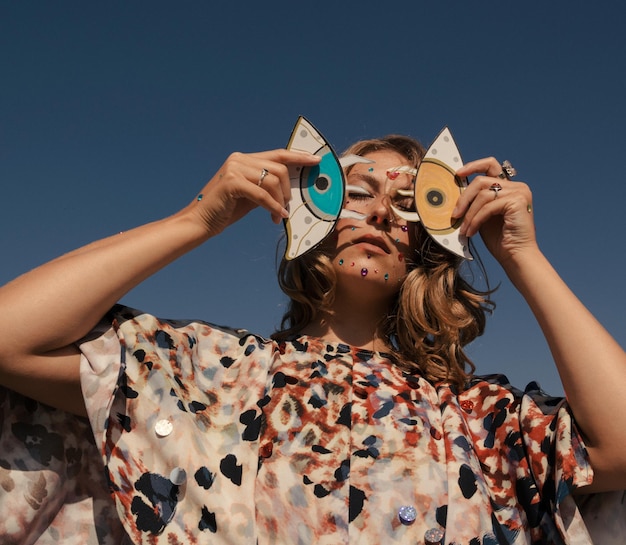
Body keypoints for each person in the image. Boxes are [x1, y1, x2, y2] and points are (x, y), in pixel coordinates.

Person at [0, 133, 624, 545]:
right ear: (312, 220)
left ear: (429, 245)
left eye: (411, 203)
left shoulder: (476, 419)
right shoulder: (208, 375)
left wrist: (522, 256)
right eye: (355, 192)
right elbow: (10, 338)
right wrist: (197, 219)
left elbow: (619, 447)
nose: (381, 212)